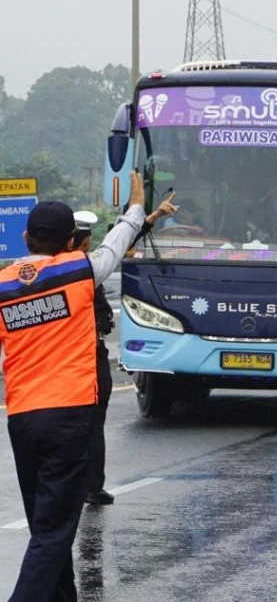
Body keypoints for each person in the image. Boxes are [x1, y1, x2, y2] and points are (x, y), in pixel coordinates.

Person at [0, 171, 145, 602]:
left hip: (22, 417)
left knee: (49, 524)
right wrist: (137, 206)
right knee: (56, 528)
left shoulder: (2, 284)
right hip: (68, 415)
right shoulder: (80, 271)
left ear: (25, 237)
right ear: (68, 242)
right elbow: (118, 242)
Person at [73, 193, 178, 506]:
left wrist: (152, 218)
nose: (91, 243)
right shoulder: (81, 270)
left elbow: (120, 242)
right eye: (87, 239)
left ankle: (88, 484)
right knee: (87, 421)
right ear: (80, 241)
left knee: (90, 421)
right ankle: (83, 483)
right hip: (83, 356)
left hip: (89, 354)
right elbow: (117, 244)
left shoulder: (75, 267)